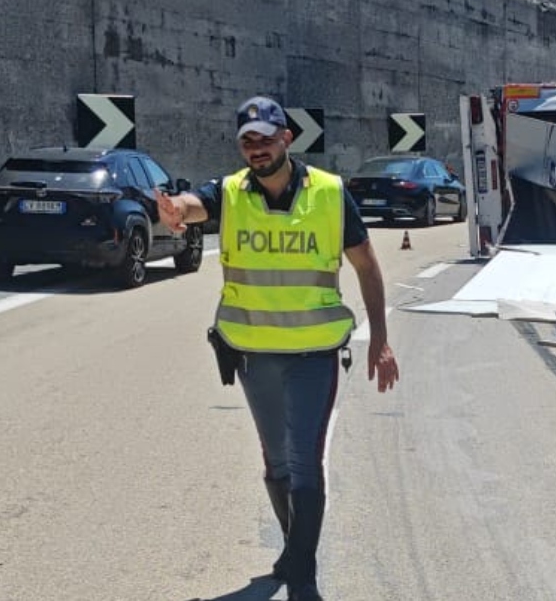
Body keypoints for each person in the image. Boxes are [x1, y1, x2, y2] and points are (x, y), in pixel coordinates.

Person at [156, 95, 399, 601]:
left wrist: (380, 338)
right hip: (252, 353)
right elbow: (194, 207)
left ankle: (303, 577)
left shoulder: (330, 195)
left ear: (287, 138)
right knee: (277, 463)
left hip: (314, 353)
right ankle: (294, 547)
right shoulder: (229, 192)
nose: (257, 148)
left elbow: (367, 266)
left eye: (266, 138)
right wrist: (175, 211)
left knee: (306, 461)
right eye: (248, 141)